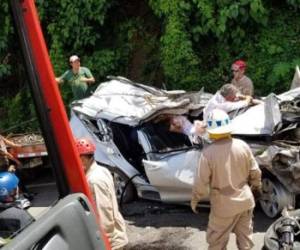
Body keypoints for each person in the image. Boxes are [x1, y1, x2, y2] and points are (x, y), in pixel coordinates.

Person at [190, 109, 262, 250]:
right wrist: (256, 187)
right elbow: (255, 172)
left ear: (211, 131)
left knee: (217, 242)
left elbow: (201, 183)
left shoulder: (208, 153)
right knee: (245, 241)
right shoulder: (243, 145)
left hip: (223, 206)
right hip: (245, 201)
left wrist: (195, 199)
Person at [75, 138, 128, 250]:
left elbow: (104, 214)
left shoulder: (94, 180)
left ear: (83, 159)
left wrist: (103, 242)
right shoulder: (102, 170)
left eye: (76, 159)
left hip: (111, 241)